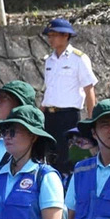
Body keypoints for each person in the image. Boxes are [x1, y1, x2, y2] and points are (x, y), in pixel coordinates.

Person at [39, 19, 96, 168]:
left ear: (65, 36)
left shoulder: (79, 58)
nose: (50, 39)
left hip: (68, 116)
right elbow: (49, 90)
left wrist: (91, 120)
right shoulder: (49, 61)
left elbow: (89, 89)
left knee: (66, 158)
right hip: (49, 116)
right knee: (49, 157)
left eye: (54, 35)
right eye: (49, 35)